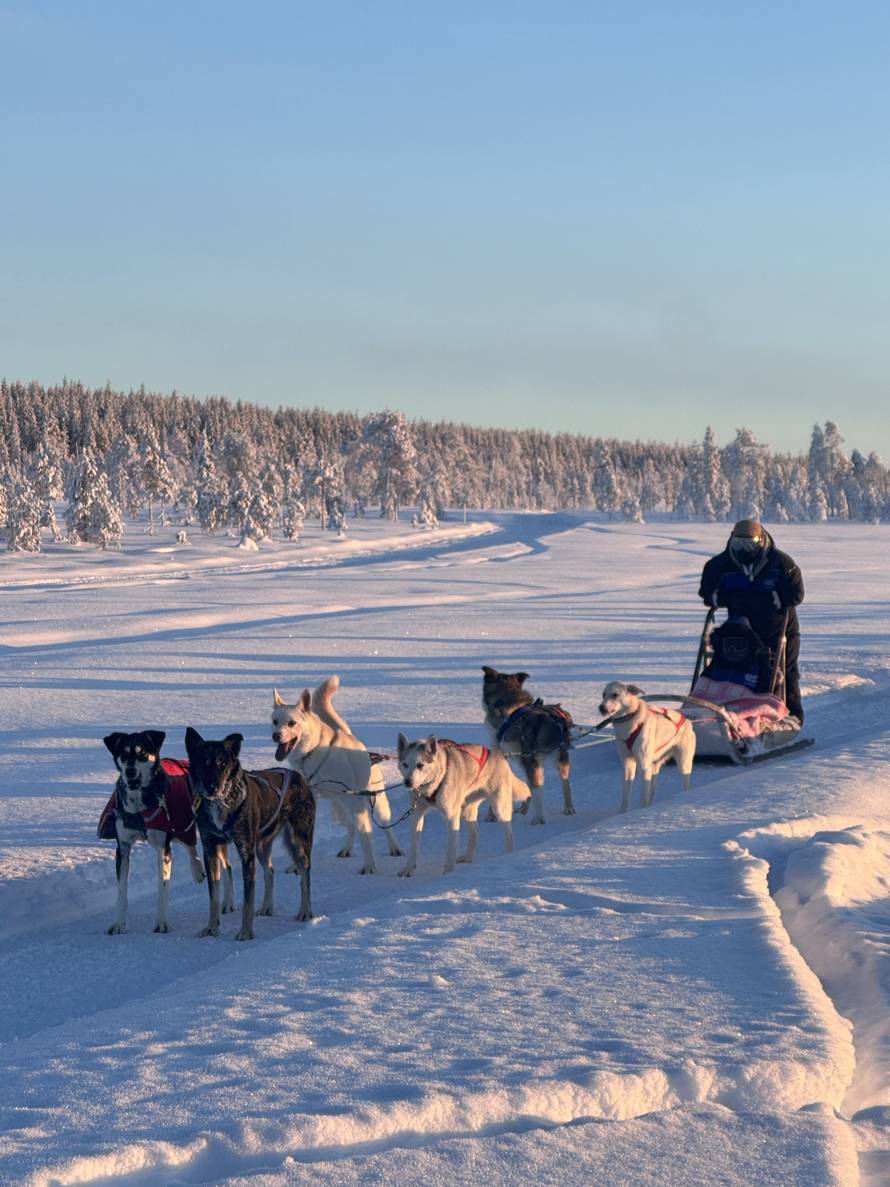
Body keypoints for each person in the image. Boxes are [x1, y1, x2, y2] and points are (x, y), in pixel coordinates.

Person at [698, 519, 805, 723]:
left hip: (778, 626)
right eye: (739, 543)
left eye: (750, 543)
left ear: (761, 540)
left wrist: (771, 599)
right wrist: (724, 598)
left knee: (784, 668)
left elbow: (797, 594)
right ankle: (726, 708)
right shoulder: (721, 565)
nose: (744, 549)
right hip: (739, 629)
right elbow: (707, 592)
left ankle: (792, 716)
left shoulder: (781, 563)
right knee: (730, 666)